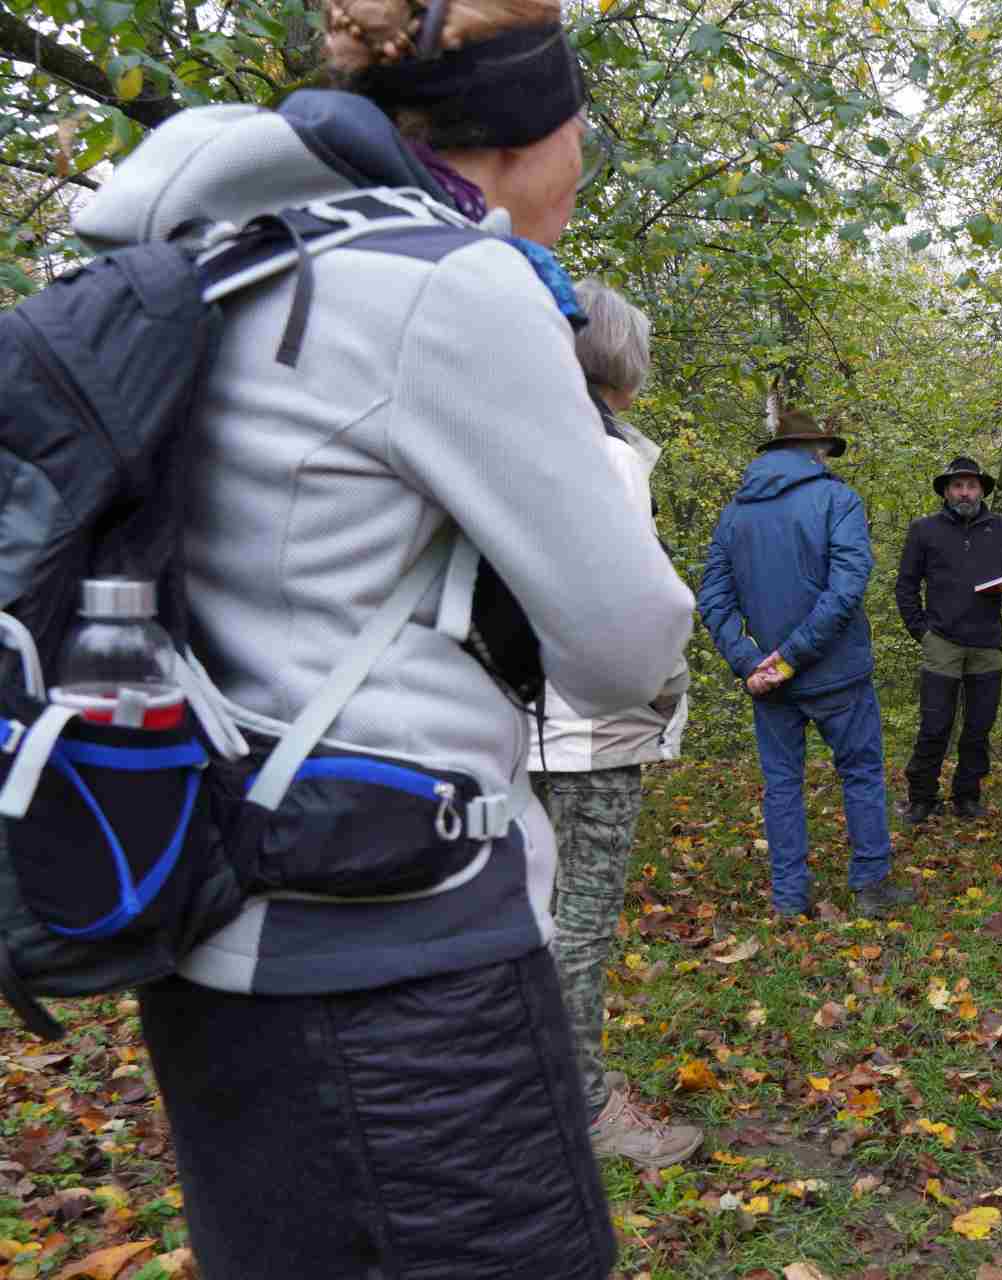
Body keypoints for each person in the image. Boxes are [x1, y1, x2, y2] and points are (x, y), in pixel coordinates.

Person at [70, 1, 695, 1275]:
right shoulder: (451, 283)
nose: (581, 161)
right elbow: (626, 644)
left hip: (205, 921)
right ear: (526, 136)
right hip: (400, 957)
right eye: (582, 133)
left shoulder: (231, 255)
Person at [529, 279, 702, 1169]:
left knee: (529, 913)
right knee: (580, 924)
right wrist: (665, 688)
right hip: (592, 725)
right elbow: (634, 604)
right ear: (623, 361)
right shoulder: (607, 459)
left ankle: (529, 1085)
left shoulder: (513, 443)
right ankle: (586, 1109)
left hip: (512, 720)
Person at [697, 410, 916, 919]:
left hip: (771, 682)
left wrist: (751, 662)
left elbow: (713, 600)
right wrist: (789, 659)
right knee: (860, 773)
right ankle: (871, 886)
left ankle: (789, 897)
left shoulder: (734, 515)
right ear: (815, 451)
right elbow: (846, 589)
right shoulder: (838, 500)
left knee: (782, 785)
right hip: (836, 674)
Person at [893, 456, 1002, 823]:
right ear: (946, 491)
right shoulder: (924, 530)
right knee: (935, 726)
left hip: (987, 643)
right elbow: (905, 586)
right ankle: (921, 798)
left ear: (981, 491)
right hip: (941, 641)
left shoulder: (1001, 529)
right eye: (958, 486)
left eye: (971, 486)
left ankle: (966, 796)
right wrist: (922, 633)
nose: (965, 493)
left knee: (979, 728)